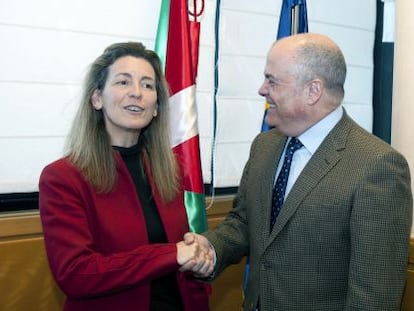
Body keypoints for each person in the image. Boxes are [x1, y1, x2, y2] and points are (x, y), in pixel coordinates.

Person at [185, 33, 413, 310]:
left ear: (313, 90)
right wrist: (210, 248)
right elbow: (244, 223)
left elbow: (374, 297)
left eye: (272, 80)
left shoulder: (377, 166)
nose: (261, 89)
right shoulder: (264, 146)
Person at [39, 42, 212, 311]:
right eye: (123, 82)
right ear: (97, 98)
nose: (136, 93)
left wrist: (198, 255)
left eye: (147, 85)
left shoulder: (169, 171)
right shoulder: (63, 177)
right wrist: (173, 253)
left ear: (156, 107)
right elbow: (75, 274)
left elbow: (181, 262)